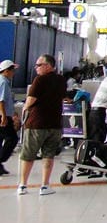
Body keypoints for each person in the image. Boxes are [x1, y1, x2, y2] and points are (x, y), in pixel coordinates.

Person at [16, 54, 68, 195]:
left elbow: (30, 100)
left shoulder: (39, 80)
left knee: (28, 154)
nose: (36, 68)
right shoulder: (61, 80)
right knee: (48, 155)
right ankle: (45, 186)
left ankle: (23, 185)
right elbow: (63, 97)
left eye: (39, 65)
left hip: (36, 124)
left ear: (48, 66)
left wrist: (25, 110)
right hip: (54, 124)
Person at [0, 60, 19, 176]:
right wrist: (3, 115)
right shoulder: (3, 82)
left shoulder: (3, 81)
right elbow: (1, 100)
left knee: (2, 138)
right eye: (12, 71)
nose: (13, 73)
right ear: (6, 71)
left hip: (5, 114)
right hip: (3, 115)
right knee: (12, 139)